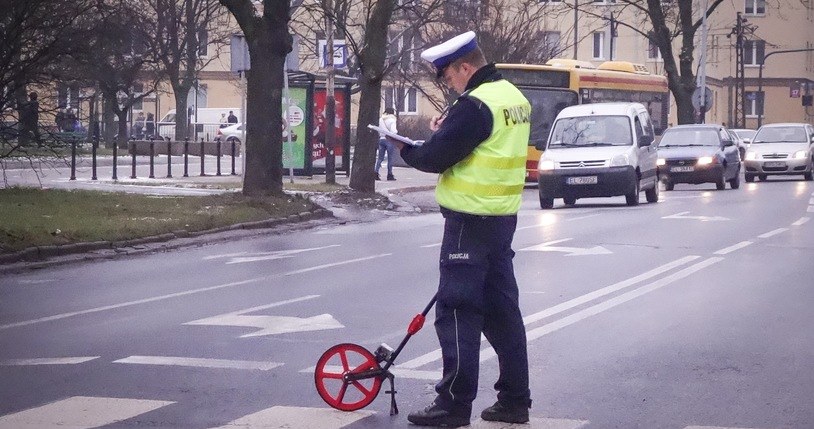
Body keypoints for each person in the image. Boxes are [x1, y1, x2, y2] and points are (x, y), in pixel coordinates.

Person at [391, 31, 532, 427]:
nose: (448, 84)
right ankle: (515, 401)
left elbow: (437, 157)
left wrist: (405, 148)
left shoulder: (475, 105)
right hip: (502, 221)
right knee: (503, 312)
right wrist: (448, 126)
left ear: (464, 67)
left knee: (457, 312)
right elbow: (483, 144)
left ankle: (453, 405)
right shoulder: (513, 98)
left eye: (448, 77)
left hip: (469, 224)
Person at [375, 107, 398, 181]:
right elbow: (393, 131)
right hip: (389, 140)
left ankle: (375, 172)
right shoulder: (392, 120)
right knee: (390, 158)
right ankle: (389, 175)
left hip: (381, 140)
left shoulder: (381, 119)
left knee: (380, 158)